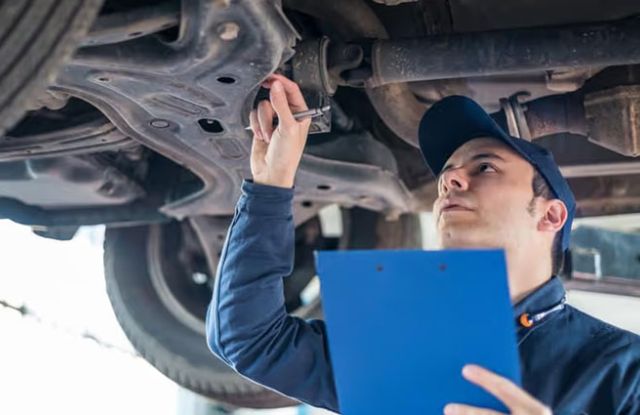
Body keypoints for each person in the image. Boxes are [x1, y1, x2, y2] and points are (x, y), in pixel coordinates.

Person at [205, 74, 640, 414]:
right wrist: (271, 183)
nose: (450, 179)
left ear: (550, 214)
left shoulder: (624, 369)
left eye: (486, 167)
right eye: (447, 172)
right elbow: (251, 340)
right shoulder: (402, 345)